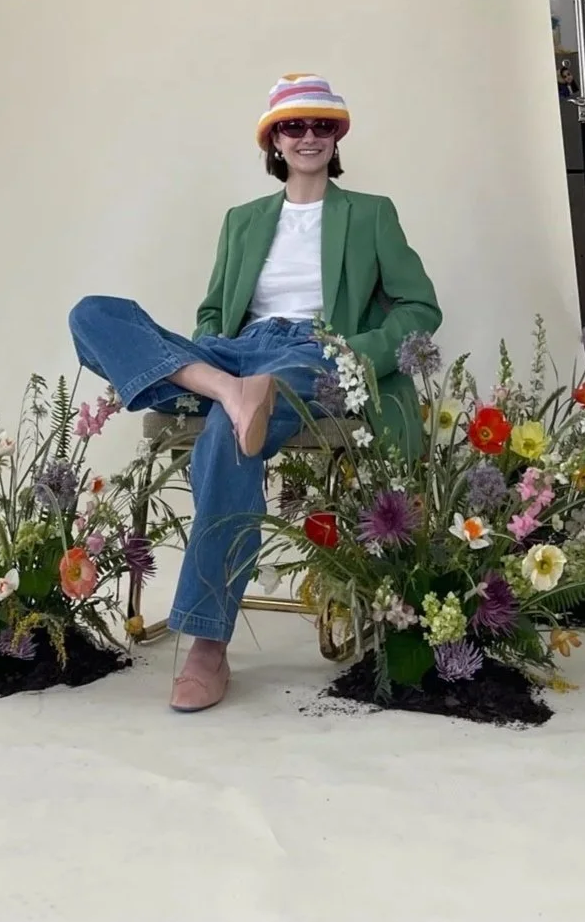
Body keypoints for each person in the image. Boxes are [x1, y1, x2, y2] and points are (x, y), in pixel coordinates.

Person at [69, 73, 441, 713]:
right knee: (92, 314)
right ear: (274, 139)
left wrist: (355, 355)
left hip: (313, 352)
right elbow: (214, 313)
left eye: (322, 125)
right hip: (238, 353)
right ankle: (227, 388)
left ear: (337, 137)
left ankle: (207, 645)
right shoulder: (242, 221)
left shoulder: (371, 213)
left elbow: (419, 308)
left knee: (229, 430)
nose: (308, 136)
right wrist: (214, 362)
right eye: (293, 126)